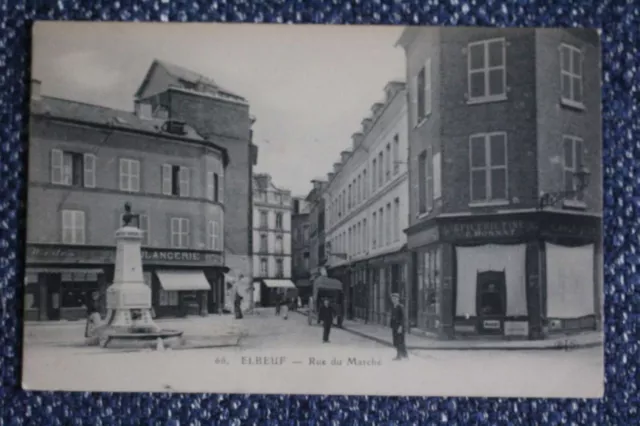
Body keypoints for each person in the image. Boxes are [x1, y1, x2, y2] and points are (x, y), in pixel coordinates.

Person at [390, 293, 408, 360]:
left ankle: (400, 356)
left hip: (400, 327)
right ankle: (403, 355)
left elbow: (403, 317)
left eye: (395, 298)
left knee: (400, 341)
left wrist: (401, 327)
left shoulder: (400, 306)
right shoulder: (393, 306)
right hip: (394, 326)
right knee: (396, 342)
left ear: (398, 299)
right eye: (392, 298)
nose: (394, 300)